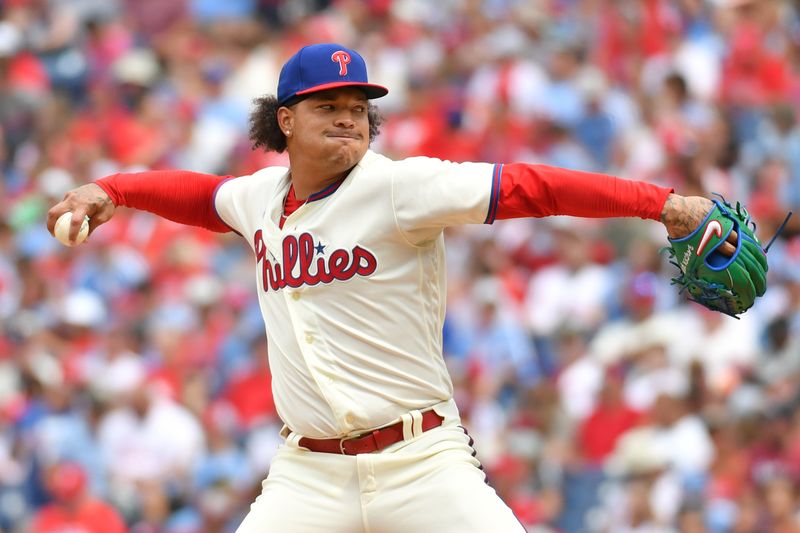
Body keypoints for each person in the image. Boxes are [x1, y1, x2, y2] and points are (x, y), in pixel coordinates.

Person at [47, 43, 737, 532]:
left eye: (359, 105)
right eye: (330, 105)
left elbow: (532, 186)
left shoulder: (402, 187)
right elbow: (202, 196)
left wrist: (663, 203)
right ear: (285, 118)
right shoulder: (259, 197)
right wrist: (111, 190)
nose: (351, 117)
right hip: (308, 472)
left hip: (420, 458)